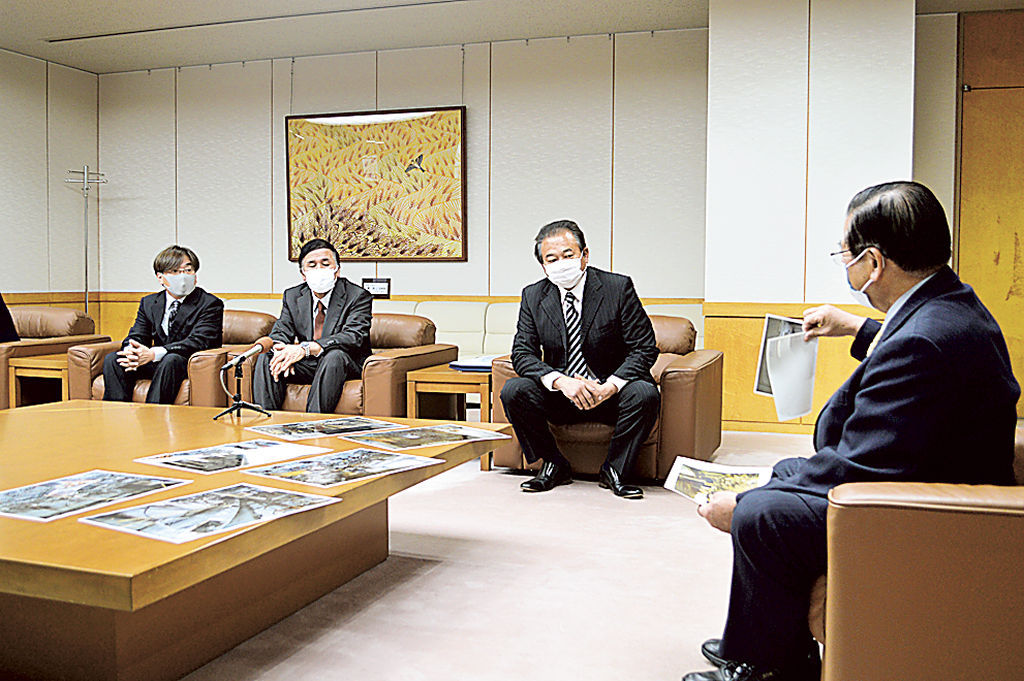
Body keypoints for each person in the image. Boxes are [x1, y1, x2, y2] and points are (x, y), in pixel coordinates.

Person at [684, 181, 1020, 681]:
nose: (844, 264)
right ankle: (757, 645)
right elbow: (905, 344)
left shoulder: (925, 340)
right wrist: (853, 326)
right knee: (784, 474)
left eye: (845, 253)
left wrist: (745, 500)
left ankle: (770, 669)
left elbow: (861, 463)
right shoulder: (948, 302)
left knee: (762, 515)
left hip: (924, 512)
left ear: (874, 262)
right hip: (932, 477)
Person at [500, 220, 660, 499]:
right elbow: (522, 353)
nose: (561, 264)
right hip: (562, 395)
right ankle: (553, 464)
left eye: (568, 255)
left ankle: (615, 470)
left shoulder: (617, 287)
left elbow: (644, 347)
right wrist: (561, 382)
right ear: (543, 266)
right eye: (552, 259)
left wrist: (610, 386)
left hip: (609, 393)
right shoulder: (533, 295)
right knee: (514, 390)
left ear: (584, 255)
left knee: (645, 393)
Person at [254, 238, 372, 413]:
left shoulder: (357, 296)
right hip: (308, 363)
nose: (319, 269)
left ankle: (313, 423)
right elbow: (281, 330)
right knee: (268, 358)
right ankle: (267, 421)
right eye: (312, 265)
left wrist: (307, 348)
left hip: (343, 363)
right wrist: (282, 352)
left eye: (325, 264)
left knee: (334, 356)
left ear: (337, 269)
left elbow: (354, 336)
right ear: (303, 274)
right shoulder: (293, 295)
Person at [103, 245, 224, 404]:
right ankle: (115, 412)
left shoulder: (210, 303)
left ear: (195, 275)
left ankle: (153, 414)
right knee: (114, 359)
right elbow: (138, 334)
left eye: (188, 270)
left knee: (171, 360)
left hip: (184, 362)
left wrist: (155, 353)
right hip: (156, 361)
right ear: (160, 277)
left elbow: (199, 341)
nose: (183, 276)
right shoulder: (149, 302)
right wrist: (132, 352)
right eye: (175, 271)